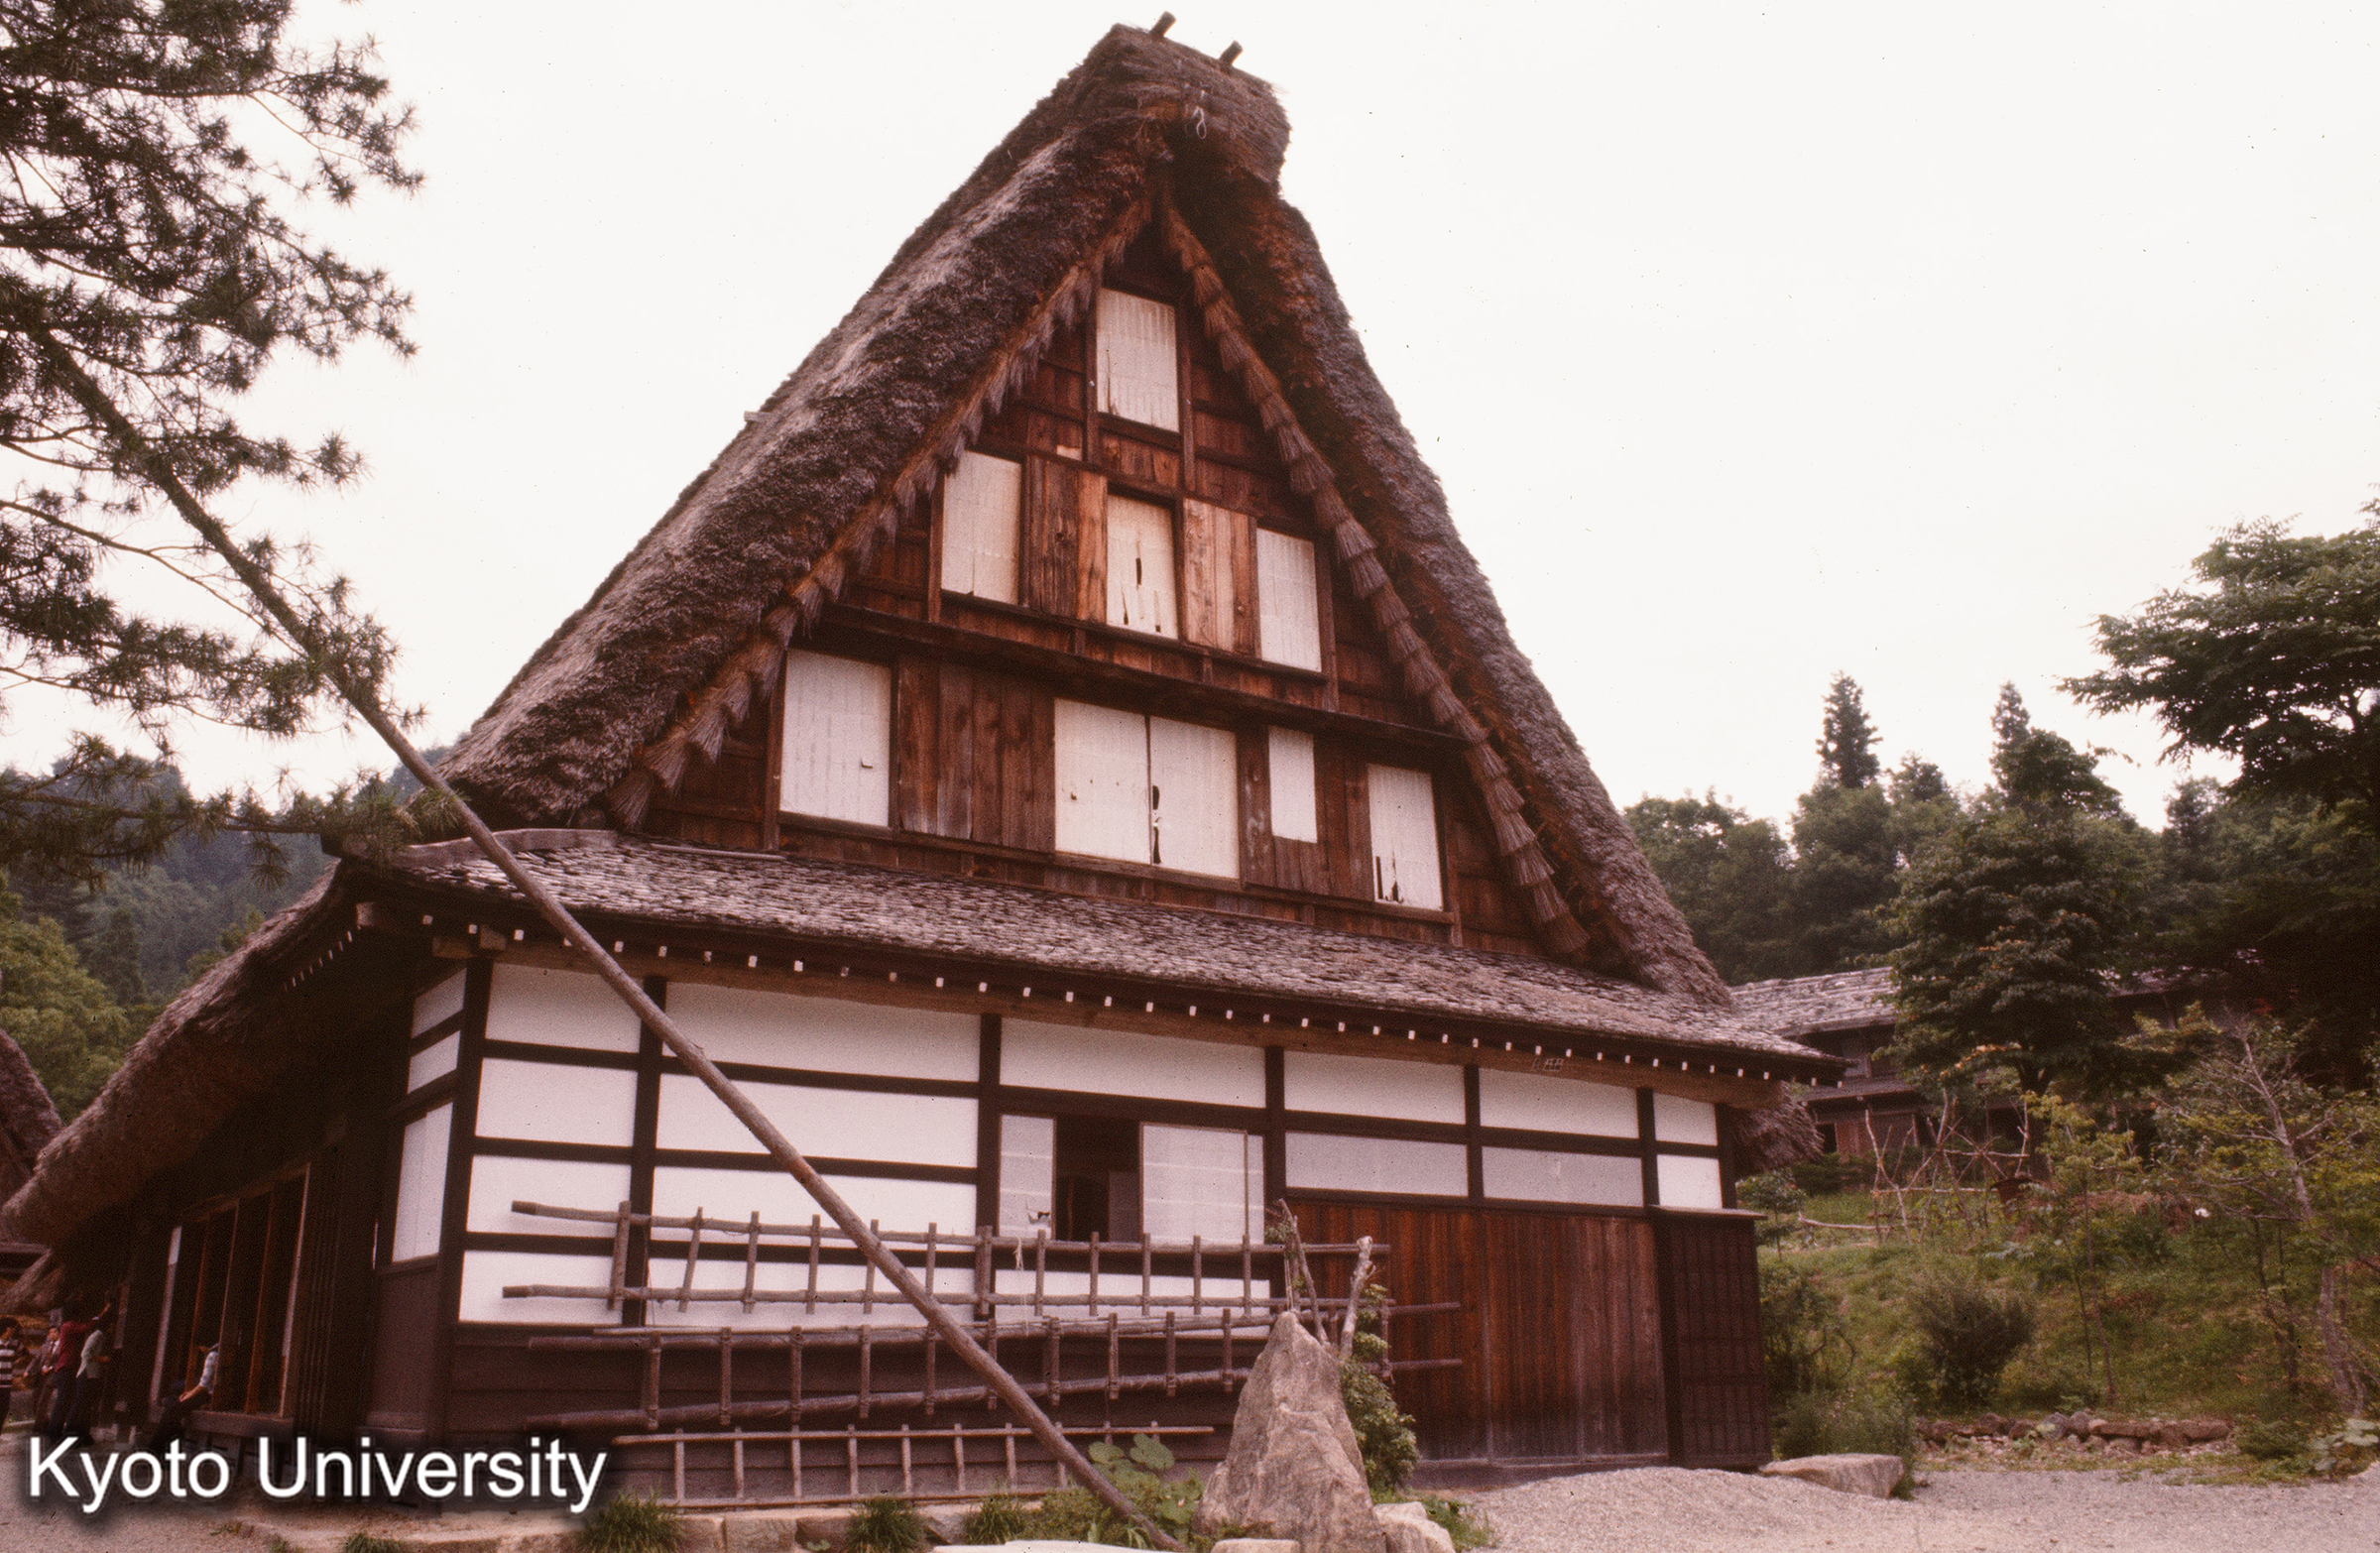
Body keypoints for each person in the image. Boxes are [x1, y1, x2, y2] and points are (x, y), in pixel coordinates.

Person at [39, 1302, 96, 1444]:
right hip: (65, 1368)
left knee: (64, 1401)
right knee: (62, 1401)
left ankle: (56, 1432)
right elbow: (86, 1327)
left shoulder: (66, 1326)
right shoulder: (68, 1326)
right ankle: (53, 1433)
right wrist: (98, 1317)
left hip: (66, 1368)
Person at [146, 1342, 218, 1452]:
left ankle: (154, 1451)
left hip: (207, 1395)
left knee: (171, 1411)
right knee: (171, 1409)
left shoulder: (213, 1355)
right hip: (206, 1393)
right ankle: (164, 1453)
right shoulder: (215, 1354)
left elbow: (204, 1385)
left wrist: (189, 1394)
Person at [0, 1317, 23, 1424]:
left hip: (6, 1383)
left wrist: (16, 1361)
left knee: (3, 1410)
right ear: (7, 1328)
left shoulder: (14, 1343)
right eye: (13, 1327)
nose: (14, 1330)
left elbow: (25, 1354)